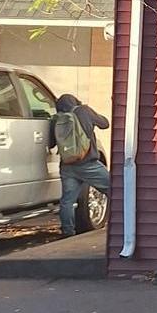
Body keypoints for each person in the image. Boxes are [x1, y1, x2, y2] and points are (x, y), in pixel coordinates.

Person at [49, 93, 110, 236]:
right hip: (89, 164)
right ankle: (121, 222)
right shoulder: (84, 110)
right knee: (115, 189)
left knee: (67, 201)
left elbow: (51, 143)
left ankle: (68, 232)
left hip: (67, 166)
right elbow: (105, 124)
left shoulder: (56, 119)